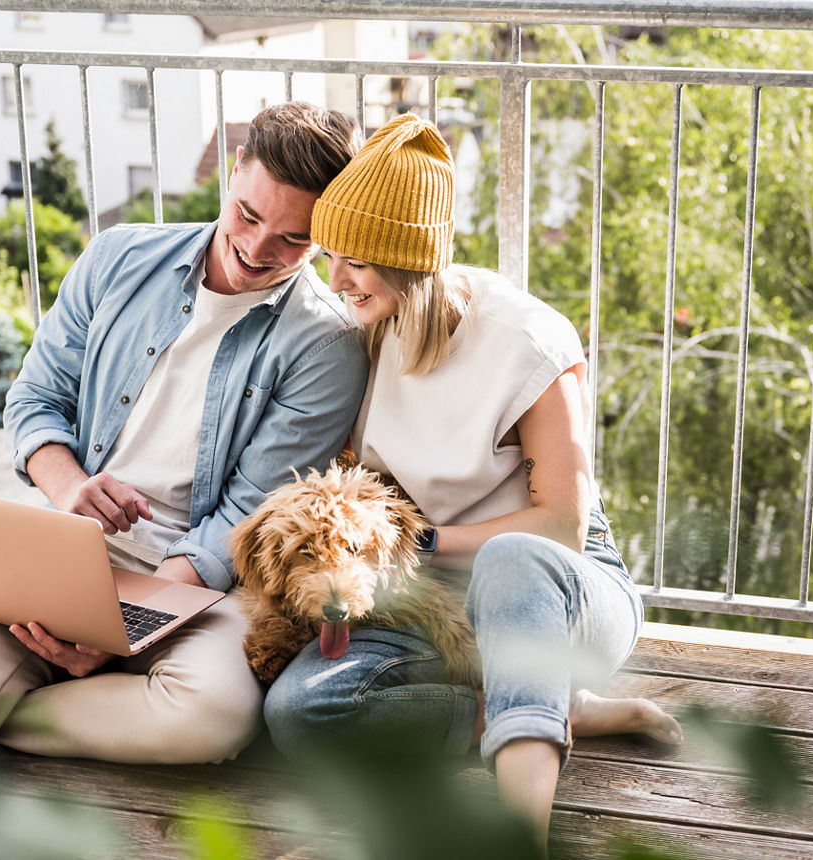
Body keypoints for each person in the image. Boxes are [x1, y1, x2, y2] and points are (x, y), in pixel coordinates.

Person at [0, 101, 368, 857]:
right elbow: (35, 399)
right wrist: (69, 488)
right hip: (69, 548)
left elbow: (249, 516)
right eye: (247, 215)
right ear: (231, 174)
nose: (255, 247)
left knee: (213, 719)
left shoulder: (327, 341)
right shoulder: (118, 257)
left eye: (294, 240)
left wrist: (119, 635)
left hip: (202, 584)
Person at [262, 114, 682, 848]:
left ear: (407, 260)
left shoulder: (528, 341)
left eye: (356, 260)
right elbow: (350, 482)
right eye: (332, 256)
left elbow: (562, 528)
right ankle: (551, 710)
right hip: (433, 598)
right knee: (298, 710)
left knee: (512, 560)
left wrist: (414, 541)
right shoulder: (366, 333)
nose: (336, 279)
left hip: (555, 591)